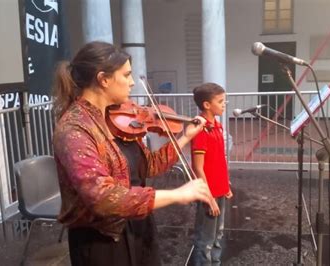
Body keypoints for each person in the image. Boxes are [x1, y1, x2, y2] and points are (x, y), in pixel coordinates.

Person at [52, 41, 214, 266]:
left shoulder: (118, 120)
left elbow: (149, 165)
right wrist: (177, 194)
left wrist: (185, 136)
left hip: (138, 225)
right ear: (104, 79)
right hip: (103, 241)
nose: (131, 83)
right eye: (126, 75)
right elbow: (103, 197)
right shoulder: (74, 129)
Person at [189, 83, 233, 266]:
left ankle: (215, 263)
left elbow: (219, 161)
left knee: (218, 234)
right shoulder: (200, 129)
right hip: (208, 192)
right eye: (221, 101)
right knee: (205, 239)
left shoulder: (217, 126)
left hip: (220, 189)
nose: (225, 104)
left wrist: (226, 185)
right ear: (207, 105)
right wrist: (209, 198)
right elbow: (198, 168)